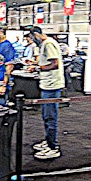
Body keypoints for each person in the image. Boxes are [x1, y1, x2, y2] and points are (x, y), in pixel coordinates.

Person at [26, 26, 65, 160]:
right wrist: (35, 64)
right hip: (47, 85)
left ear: (36, 34)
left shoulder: (48, 44)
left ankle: (53, 147)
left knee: (50, 117)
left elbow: (55, 64)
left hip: (52, 86)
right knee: (46, 116)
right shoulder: (45, 44)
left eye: (32, 37)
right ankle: (48, 141)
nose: (32, 40)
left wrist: (38, 67)